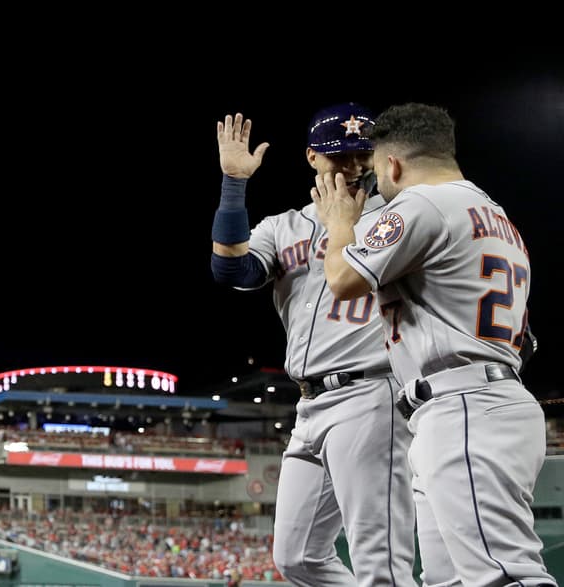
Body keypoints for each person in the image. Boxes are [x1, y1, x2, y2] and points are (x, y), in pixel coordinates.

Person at [313, 102, 556, 587]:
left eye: (377, 168)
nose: (375, 182)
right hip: (479, 399)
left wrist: (339, 223)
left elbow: (341, 279)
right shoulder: (495, 213)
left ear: (394, 164)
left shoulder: (421, 203)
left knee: (505, 576)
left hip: (464, 406)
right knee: (448, 580)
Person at [211, 106, 417, 587]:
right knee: (297, 557)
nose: (353, 166)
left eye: (363, 154)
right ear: (311, 157)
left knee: (380, 563)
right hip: (309, 405)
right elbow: (231, 271)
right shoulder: (284, 226)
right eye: (339, 156)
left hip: (372, 393)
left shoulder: (398, 218)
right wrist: (234, 183)